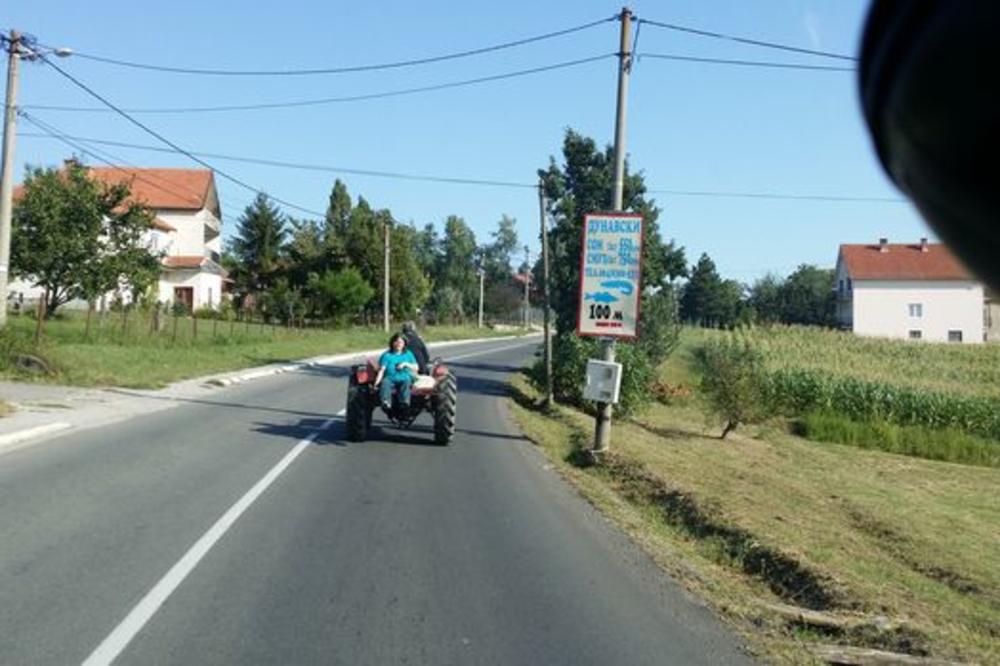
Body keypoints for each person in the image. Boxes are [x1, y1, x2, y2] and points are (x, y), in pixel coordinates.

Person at [374, 333, 419, 410]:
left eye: (401, 342)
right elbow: (382, 370)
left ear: (404, 344)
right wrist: (376, 383)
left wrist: (406, 364)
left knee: (406, 381)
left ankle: (404, 403)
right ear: (392, 343)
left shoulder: (408, 354)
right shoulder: (386, 355)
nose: (398, 344)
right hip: (390, 378)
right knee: (385, 382)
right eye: (396, 342)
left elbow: (416, 367)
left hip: (405, 377)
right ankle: (386, 402)